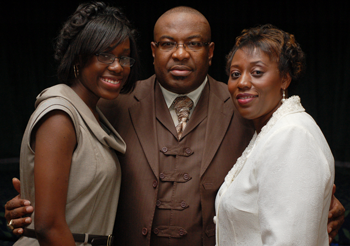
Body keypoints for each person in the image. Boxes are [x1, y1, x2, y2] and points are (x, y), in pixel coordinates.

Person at [5, 7, 345, 246]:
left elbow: (289, 168)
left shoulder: (247, 106)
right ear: (152, 52)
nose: (180, 54)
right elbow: (77, 179)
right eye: (168, 43)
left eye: (193, 43)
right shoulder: (109, 104)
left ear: (210, 52)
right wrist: (31, 207)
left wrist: (323, 206)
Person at [9, 2, 140, 246]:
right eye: (105, 55)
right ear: (79, 57)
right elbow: (48, 227)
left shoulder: (93, 114)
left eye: (124, 57)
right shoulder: (60, 114)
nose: (117, 66)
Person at [215, 24, 336, 245]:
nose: (242, 82)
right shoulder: (269, 131)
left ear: (284, 79)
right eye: (235, 74)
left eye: (257, 72)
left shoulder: (291, 135)